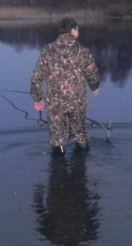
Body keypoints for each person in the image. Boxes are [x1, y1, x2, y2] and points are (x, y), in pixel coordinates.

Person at [30, 18, 101, 154]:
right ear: (72, 30)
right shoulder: (83, 51)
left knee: (57, 138)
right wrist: (95, 87)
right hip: (77, 102)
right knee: (79, 133)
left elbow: (37, 77)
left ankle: (58, 169)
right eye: (77, 29)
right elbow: (92, 74)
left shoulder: (48, 50)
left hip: (55, 103)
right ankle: (80, 169)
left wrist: (37, 98)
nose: (78, 31)